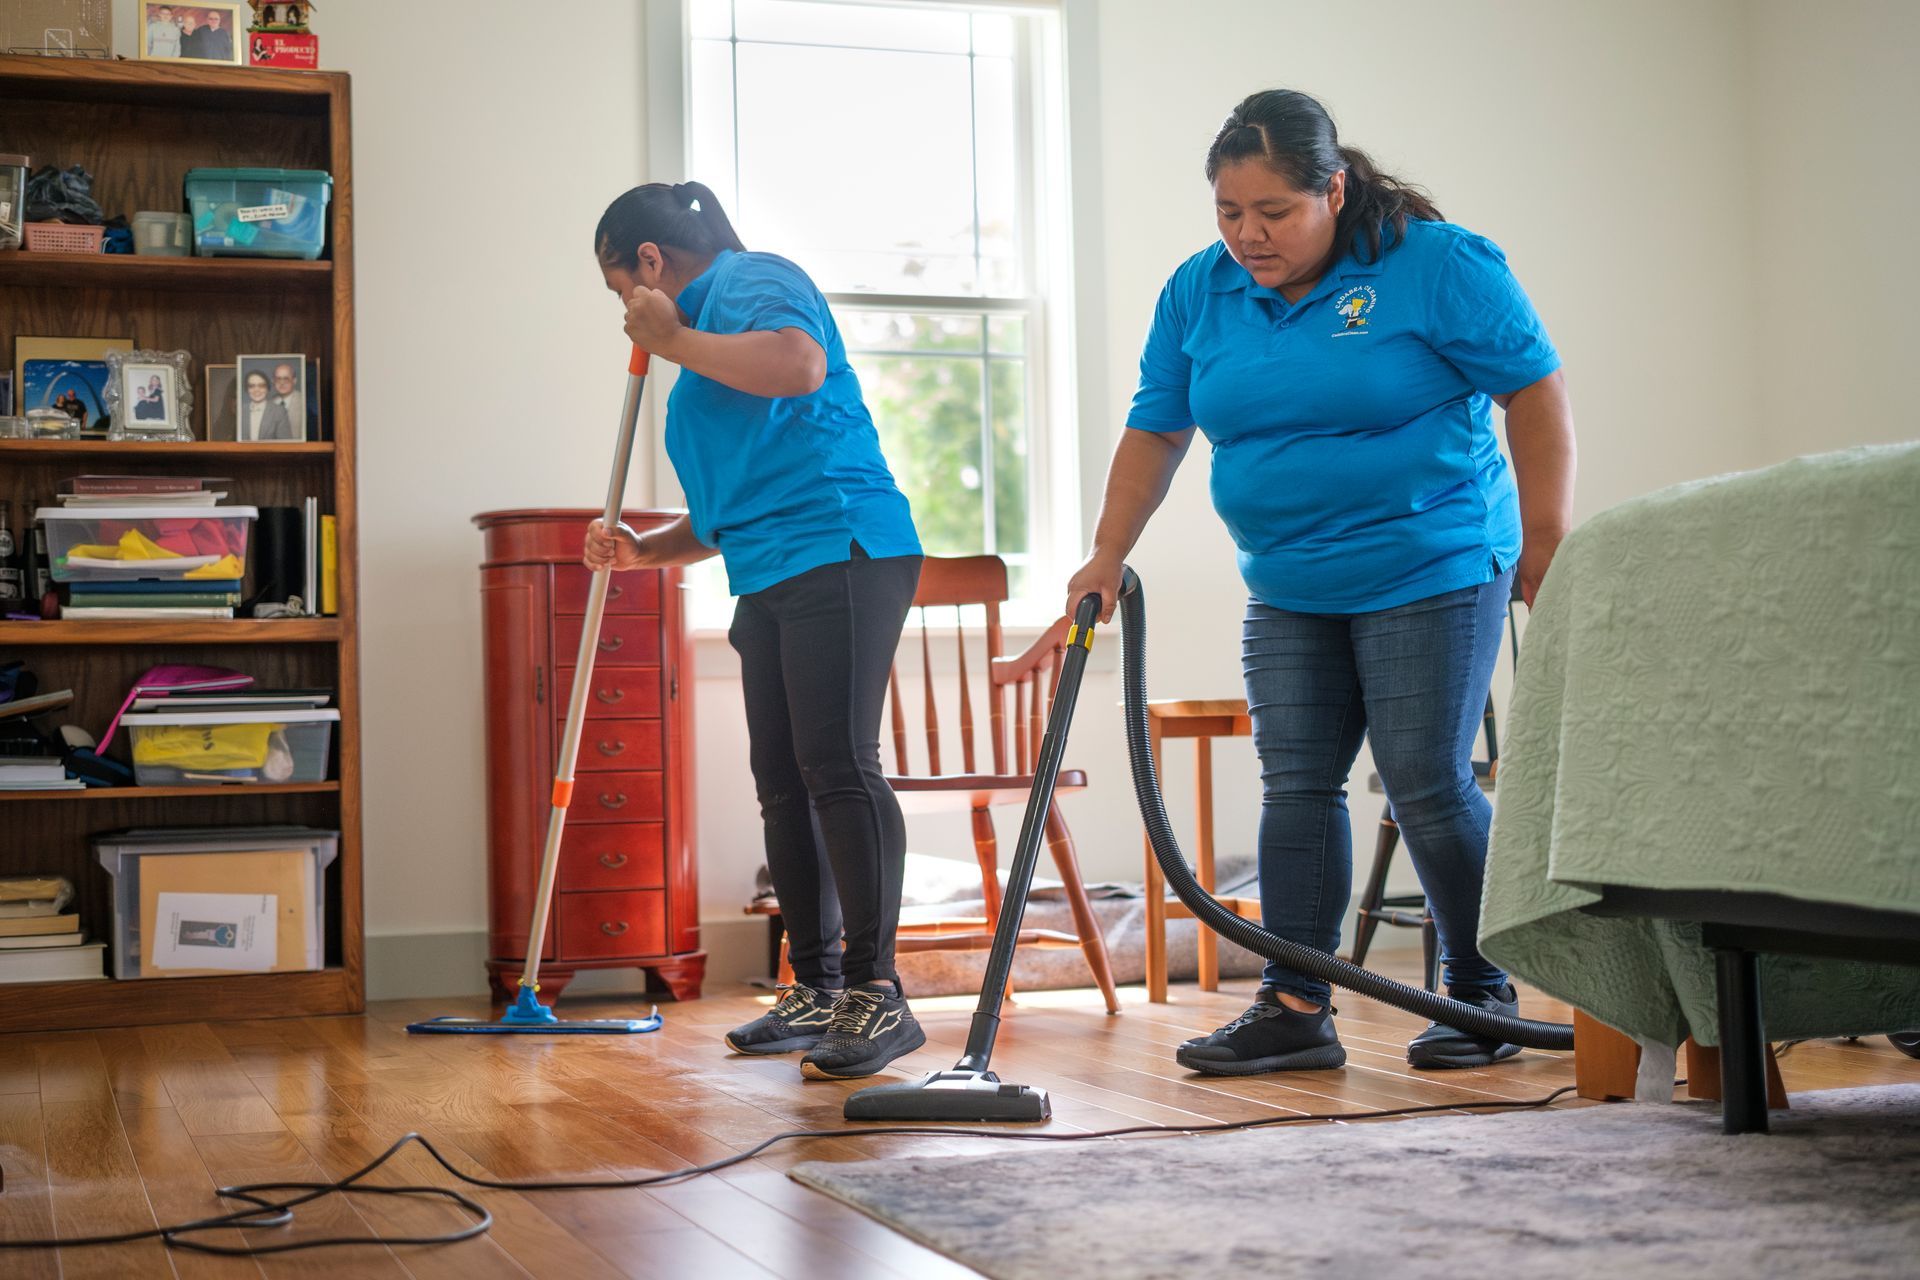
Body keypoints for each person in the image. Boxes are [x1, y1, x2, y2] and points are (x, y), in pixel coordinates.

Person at [1067, 89, 1576, 1075]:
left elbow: (1534, 389)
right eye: (1228, 212)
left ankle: (1481, 993)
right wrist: (1106, 549)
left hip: (1431, 559)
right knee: (1295, 782)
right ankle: (1296, 1002)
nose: (1248, 236)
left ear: (1334, 190)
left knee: (1425, 776)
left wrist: (1546, 532)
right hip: (1292, 577)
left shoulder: (1436, 264)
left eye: (1274, 213)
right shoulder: (1200, 290)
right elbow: (1158, 425)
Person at [582, 180, 926, 1080]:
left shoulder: (750, 283)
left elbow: (800, 366)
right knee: (783, 782)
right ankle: (811, 986)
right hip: (769, 568)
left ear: (649, 262)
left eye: (622, 288)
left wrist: (674, 339)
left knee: (839, 766)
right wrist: (636, 551)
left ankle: (877, 993)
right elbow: (716, 517)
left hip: (843, 544)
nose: (628, 312)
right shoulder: (699, 371)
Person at [242, 368, 291, 440]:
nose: (256, 390)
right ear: (247, 389)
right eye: (252, 386)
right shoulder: (241, 410)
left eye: (261, 386)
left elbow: (286, 445)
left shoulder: (280, 412)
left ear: (267, 388)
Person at [270, 362, 305, 439]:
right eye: (278, 379)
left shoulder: (304, 402)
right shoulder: (269, 403)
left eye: (286, 379)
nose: (282, 383)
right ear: (273, 381)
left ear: (294, 380)